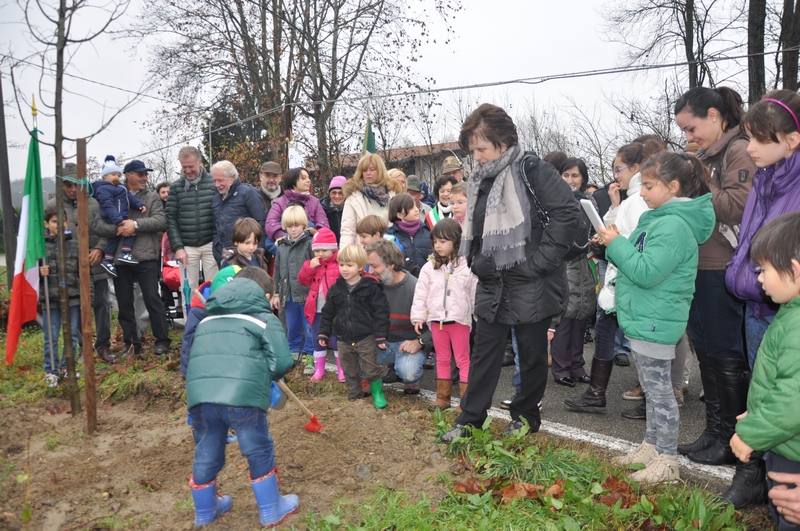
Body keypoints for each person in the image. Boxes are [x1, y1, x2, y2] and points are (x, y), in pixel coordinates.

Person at [440, 103, 580, 442]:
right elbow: (474, 225)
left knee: (531, 355)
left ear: (503, 143)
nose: (476, 157)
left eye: (481, 149)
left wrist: (539, 263)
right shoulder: (481, 178)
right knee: (484, 351)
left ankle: (526, 416)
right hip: (492, 279)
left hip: (531, 281)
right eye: (472, 150)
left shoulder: (534, 170)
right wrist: (474, 260)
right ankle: (470, 419)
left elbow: (566, 214)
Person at [597, 151, 714, 484]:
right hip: (647, 314)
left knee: (659, 391)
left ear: (673, 186)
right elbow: (640, 258)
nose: (642, 193)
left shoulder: (674, 225)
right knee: (651, 387)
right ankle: (653, 445)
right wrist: (615, 240)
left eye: (648, 186)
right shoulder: (661, 219)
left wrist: (617, 244)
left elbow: (646, 271)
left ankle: (667, 459)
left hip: (655, 318)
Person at [674, 88, 756, 496]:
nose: (690, 135)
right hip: (698, 265)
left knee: (726, 354)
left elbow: (735, 207)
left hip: (723, 266)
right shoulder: (707, 157)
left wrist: (700, 176)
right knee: (706, 351)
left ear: (713, 115)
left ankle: (731, 440)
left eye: (692, 127)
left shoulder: (738, 150)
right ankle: (713, 432)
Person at [723, 89, 800, 510]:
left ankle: (786, 489)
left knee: (789, 397)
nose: (749, 148)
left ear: (792, 140)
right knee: (765, 389)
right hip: (759, 305)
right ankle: (763, 480)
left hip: (787, 309)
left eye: (759, 139)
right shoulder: (763, 178)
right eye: (747, 137)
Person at [185, 266, 298, 528]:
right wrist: (263, 375)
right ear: (267, 296)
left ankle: (205, 511)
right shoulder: (263, 319)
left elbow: (194, 357)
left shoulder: (206, 319)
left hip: (201, 397)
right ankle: (271, 510)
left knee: (207, 449)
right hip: (242, 396)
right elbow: (282, 362)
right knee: (257, 447)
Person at [565, 139, 670, 414]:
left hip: (629, 281)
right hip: (620, 282)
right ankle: (597, 393)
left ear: (636, 168)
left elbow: (637, 242)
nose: (616, 175)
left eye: (619, 169)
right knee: (606, 330)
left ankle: (647, 400)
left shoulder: (637, 201)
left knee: (642, 341)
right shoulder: (631, 200)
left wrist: (608, 242)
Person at [730, 212, 800, 529]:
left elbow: (792, 399)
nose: (758, 279)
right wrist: (757, 412)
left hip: (793, 454)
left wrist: (751, 433)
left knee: (788, 517)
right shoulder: (790, 313)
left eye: (763, 270)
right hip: (785, 440)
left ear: (794, 271)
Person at [92, 160, 171, 357]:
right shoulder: (110, 194)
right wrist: (118, 229)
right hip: (119, 258)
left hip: (145, 256)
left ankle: (162, 341)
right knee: (124, 303)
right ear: (128, 175)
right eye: (140, 174)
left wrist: (135, 225)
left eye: (146, 174)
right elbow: (98, 226)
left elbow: (161, 221)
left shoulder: (152, 197)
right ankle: (131, 344)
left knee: (153, 299)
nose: (145, 178)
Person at [49, 163, 113, 362]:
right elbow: (47, 237)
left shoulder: (95, 203)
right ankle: (81, 348)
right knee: (75, 306)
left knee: (102, 304)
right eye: (68, 185)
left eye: (76, 185)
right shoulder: (53, 207)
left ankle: (103, 345)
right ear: (62, 185)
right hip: (69, 268)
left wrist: (100, 248)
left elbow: (107, 230)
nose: (72, 189)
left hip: (95, 264)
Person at [411, 219, 476, 410]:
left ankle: (466, 402)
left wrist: (478, 314)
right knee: (442, 358)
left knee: (463, 359)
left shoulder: (467, 267)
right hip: (436, 321)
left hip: (459, 321)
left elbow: (473, 292)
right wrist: (418, 316)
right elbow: (421, 292)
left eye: (443, 241)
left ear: (456, 242)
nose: (438, 246)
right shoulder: (428, 267)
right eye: (435, 242)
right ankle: (443, 398)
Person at [318, 244, 390, 407]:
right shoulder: (336, 289)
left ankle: (377, 393)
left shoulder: (371, 287)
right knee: (349, 369)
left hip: (366, 336)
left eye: (349, 265)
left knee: (370, 368)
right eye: (341, 264)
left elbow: (381, 312)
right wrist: (324, 333)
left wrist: (380, 335)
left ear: (359, 266)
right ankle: (354, 396)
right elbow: (328, 312)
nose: (344, 269)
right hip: (343, 338)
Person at [549, 158, 596, 388]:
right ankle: (560, 369)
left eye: (575, 176)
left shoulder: (589, 202)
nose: (570, 180)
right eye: (566, 175)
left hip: (584, 264)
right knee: (564, 320)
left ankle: (577, 366)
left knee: (581, 316)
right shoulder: (554, 201)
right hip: (563, 264)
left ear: (583, 178)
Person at [366, 239, 433, 395]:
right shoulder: (371, 285)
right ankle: (372, 375)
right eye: (369, 265)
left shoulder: (416, 288)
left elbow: (436, 326)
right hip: (380, 342)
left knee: (408, 373)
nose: (370, 271)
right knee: (353, 347)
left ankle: (411, 380)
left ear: (391, 265)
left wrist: (420, 342)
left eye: (375, 266)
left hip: (407, 344)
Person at [39, 207, 82, 388]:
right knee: (52, 335)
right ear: (47, 224)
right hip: (51, 298)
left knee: (71, 334)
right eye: (54, 221)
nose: (58, 225)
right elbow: (30, 274)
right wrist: (40, 272)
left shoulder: (74, 244)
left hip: (72, 297)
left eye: (62, 221)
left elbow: (83, 272)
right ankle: (51, 370)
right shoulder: (41, 246)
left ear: (67, 223)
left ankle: (67, 366)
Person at [167, 146, 219, 290]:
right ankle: (189, 313)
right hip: (187, 246)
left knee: (213, 287)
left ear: (200, 162)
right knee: (188, 289)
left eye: (191, 166)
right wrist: (178, 247)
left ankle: (213, 313)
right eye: (184, 167)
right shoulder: (176, 187)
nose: (188, 171)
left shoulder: (213, 182)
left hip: (210, 243)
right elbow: (171, 219)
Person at [298, 228, 345, 382]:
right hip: (316, 309)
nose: (320, 254)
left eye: (324, 250)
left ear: (333, 249)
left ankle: (341, 369)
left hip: (336, 310)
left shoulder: (339, 264)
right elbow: (303, 280)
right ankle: (319, 370)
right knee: (317, 338)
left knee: (337, 338)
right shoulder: (312, 264)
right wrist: (309, 267)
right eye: (316, 250)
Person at [271, 206, 315, 372]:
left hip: (307, 293)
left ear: (303, 224)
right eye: (290, 226)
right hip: (288, 294)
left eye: (297, 225)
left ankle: (310, 355)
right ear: (285, 226)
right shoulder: (281, 246)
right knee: (292, 325)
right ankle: (294, 352)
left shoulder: (309, 244)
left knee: (309, 327)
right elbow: (276, 272)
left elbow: (314, 269)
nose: (294, 229)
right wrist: (276, 293)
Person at [94, 155, 147, 277]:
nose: (116, 177)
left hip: (119, 216)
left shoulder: (121, 188)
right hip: (113, 217)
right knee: (131, 231)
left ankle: (108, 260)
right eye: (113, 175)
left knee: (114, 239)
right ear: (104, 176)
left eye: (118, 175)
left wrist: (139, 204)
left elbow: (129, 198)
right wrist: (117, 220)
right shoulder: (102, 190)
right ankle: (125, 252)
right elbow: (108, 206)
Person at [211, 160, 268, 265]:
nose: (217, 185)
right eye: (215, 181)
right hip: (224, 257)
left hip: (248, 257)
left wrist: (257, 253)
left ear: (232, 177)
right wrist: (217, 249)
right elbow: (215, 228)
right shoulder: (216, 198)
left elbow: (261, 224)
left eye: (220, 180)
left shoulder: (249, 193)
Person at [339, 154, 401, 247]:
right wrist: (345, 255)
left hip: (388, 250)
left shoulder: (393, 194)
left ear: (380, 171)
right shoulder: (353, 197)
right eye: (364, 170)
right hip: (362, 253)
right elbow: (348, 230)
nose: (368, 173)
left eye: (372, 170)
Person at [264, 167, 329, 241]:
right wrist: (287, 239)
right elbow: (271, 224)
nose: (308, 181)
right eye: (303, 178)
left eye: (308, 178)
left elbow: (323, 225)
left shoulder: (315, 202)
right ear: (293, 182)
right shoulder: (280, 202)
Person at [386, 194, 432, 269]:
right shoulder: (390, 236)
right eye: (411, 207)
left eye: (415, 206)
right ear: (400, 214)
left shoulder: (427, 232)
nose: (416, 209)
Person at [321, 176, 346, 242]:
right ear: (329, 194)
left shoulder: (351, 209)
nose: (337, 196)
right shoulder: (322, 209)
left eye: (340, 193)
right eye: (334, 193)